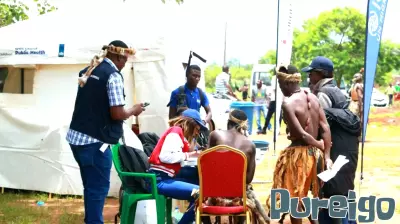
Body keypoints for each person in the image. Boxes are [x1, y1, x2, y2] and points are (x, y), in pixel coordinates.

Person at [66, 40, 145, 224]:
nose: (125, 63)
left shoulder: (89, 70)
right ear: (118, 56)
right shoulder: (113, 76)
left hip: (77, 138)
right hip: (95, 143)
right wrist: (134, 110)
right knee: (98, 189)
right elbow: (117, 113)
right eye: (124, 59)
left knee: (90, 187)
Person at [266, 65, 332, 224]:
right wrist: (327, 155)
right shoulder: (313, 97)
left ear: (288, 84)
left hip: (299, 157)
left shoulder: (288, 103)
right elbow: (325, 127)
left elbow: (302, 134)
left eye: (281, 86)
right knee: (302, 198)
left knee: (294, 200)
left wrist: (319, 145)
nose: (281, 90)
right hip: (316, 156)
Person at [302, 57, 360, 224]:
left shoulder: (322, 94)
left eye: (312, 74)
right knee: (344, 190)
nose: (310, 77)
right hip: (347, 147)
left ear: (321, 74)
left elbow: (321, 125)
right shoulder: (337, 90)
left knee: (329, 193)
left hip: (333, 148)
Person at [204, 109, 270, 224]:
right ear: (244, 126)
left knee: (199, 194)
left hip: (214, 195)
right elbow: (248, 179)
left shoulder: (215, 134)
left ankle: (207, 221)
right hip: (237, 197)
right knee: (246, 191)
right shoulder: (250, 145)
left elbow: (205, 165)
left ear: (228, 122)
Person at [148, 109, 207, 224]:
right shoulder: (175, 132)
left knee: (200, 184)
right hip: (159, 180)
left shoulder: (178, 133)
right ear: (191, 124)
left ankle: (191, 220)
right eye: (197, 129)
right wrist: (188, 155)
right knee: (201, 193)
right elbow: (165, 157)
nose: (197, 133)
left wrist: (190, 153)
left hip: (165, 178)